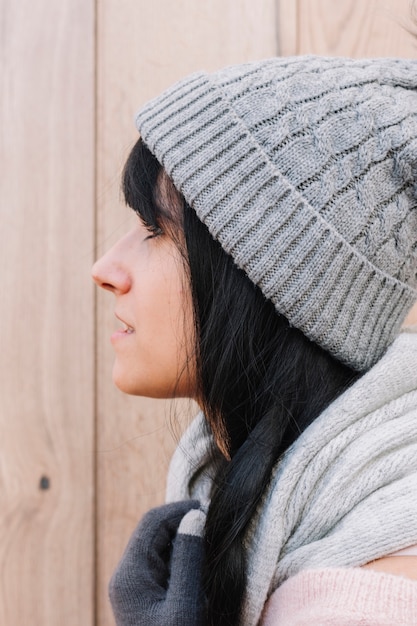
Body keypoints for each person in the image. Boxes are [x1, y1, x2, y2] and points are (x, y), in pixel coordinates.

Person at [92, 55, 417, 625]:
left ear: (270, 282)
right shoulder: (260, 487)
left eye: (153, 230)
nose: (105, 268)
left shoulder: (365, 599)